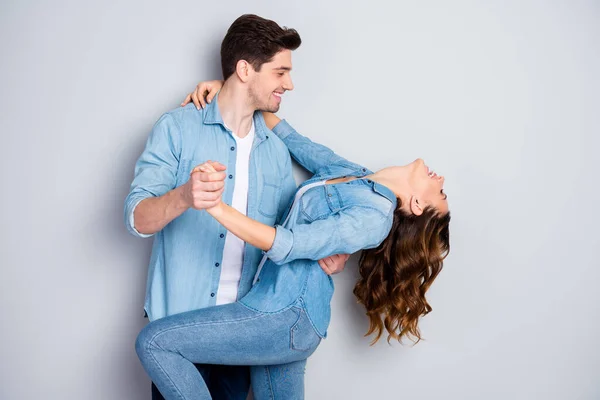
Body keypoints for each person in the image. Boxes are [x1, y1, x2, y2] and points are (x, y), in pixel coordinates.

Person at [135, 109, 451, 399]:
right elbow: (290, 137)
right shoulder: (355, 174)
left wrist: (215, 207)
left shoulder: (375, 217)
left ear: (418, 206)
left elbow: (287, 244)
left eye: (440, 194)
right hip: (283, 314)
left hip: (284, 315)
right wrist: (223, 90)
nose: (441, 180)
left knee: (155, 342)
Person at [124, 15, 348, 400]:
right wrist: (184, 196)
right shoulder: (177, 128)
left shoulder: (276, 151)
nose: (289, 84)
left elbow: (285, 241)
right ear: (245, 69)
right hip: (178, 333)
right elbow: (136, 218)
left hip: (242, 335)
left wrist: (324, 255)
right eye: (280, 72)